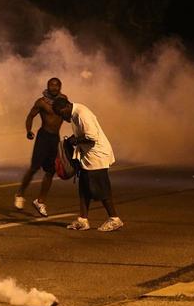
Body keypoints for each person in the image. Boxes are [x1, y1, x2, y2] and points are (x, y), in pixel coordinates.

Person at [52, 98, 124, 232]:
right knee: (84, 188)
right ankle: (83, 220)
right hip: (88, 155)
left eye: (62, 113)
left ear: (67, 106)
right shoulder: (75, 113)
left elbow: (92, 137)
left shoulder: (81, 114)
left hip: (97, 156)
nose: (62, 117)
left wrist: (75, 140)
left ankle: (114, 219)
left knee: (101, 189)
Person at [15, 77, 67, 216]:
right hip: (43, 137)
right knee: (34, 168)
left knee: (50, 171)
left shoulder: (63, 100)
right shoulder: (41, 102)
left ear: (60, 86)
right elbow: (30, 116)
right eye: (51, 85)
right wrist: (28, 131)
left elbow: (68, 115)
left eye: (56, 85)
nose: (54, 88)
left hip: (55, 138)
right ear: (47, 86)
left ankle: (40, 201)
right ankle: (20, 193)